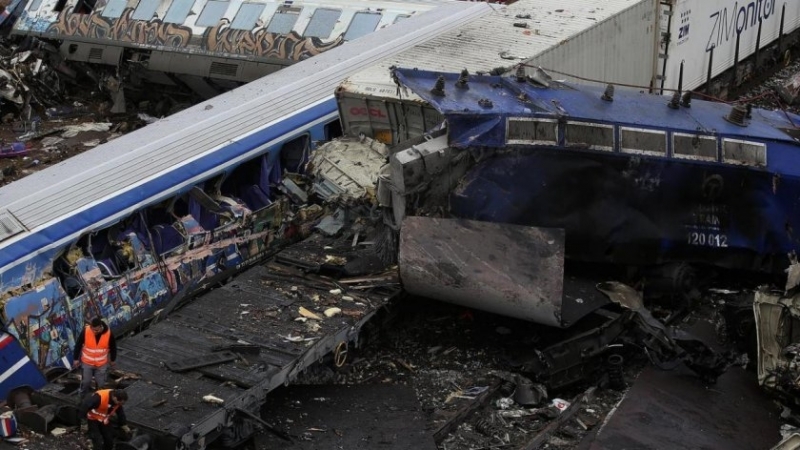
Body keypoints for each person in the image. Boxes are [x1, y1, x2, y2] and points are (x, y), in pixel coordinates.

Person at [73, 317, 118, 397]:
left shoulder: (108, 334)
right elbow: (78, 345)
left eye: (96, 330)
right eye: (92, 329)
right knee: (86, 382)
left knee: (101, 384)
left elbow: (113, 347)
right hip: (87, 363)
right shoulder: (86, 331)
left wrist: (113, 360)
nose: (94, 332)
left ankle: (99, 398)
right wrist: (76, 359)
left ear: (101, 327)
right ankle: (82, 396)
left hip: (101, 364)